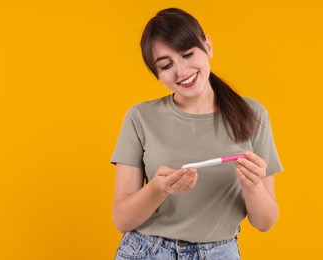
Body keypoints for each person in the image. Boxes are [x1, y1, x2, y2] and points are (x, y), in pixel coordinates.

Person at [110, 7, 283, 260]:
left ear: (208, 46)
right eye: (166, 65)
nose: (181, 71)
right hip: (147, 252)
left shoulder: (252, 114)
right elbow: (122, 220)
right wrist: (158, 189)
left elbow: (265, 222)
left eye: (188, 54)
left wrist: (254, 185)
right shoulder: (139, 117)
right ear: (156, 74)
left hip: (220, 253)